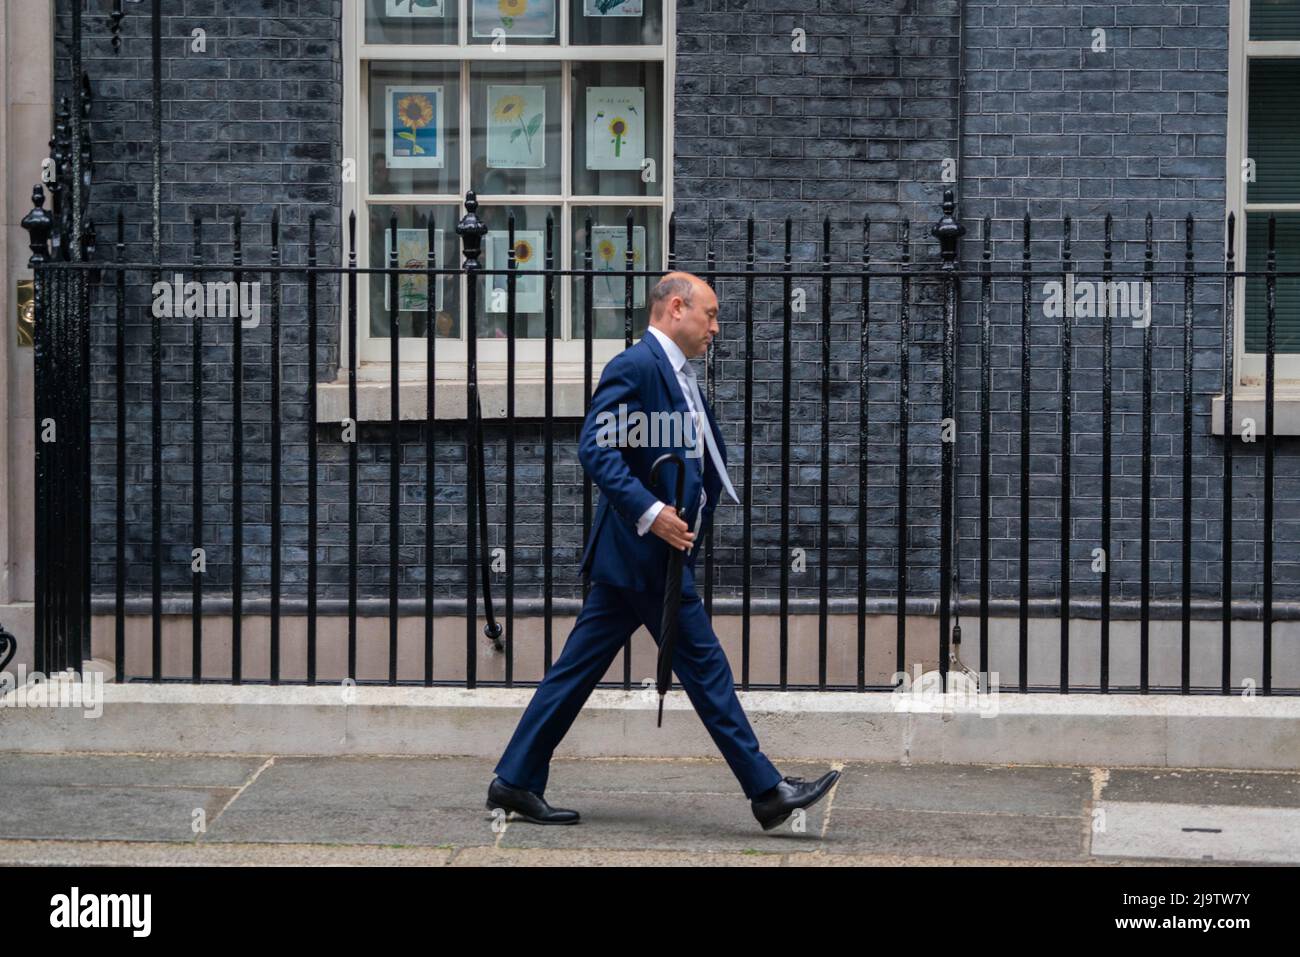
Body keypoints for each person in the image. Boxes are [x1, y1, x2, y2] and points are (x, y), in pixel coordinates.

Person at [487, 271, 839, 831]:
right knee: (706, 669)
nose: (716, 327)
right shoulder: (636, 366)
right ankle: (767, 791)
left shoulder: (677, 373)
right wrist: (653, 515)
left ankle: (514, 779)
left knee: (575, 672)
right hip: (645, 556)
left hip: (642, 562)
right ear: (677, 308)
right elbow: (596, 449)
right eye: (711, 314)